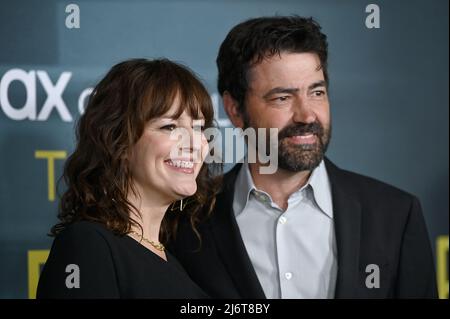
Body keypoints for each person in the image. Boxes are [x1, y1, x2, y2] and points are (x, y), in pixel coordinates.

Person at [169, 16, 438, 298]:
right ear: (234, 109)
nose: (307, 115)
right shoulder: (187, 220)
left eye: (317, 92)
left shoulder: (395, 215)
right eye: (282, 98)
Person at [37, 58, 220, 298]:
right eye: (170, 127)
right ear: (119, 143)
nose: (195, 143)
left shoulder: (172, 259)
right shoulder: (88, 245)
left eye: (198, 128)